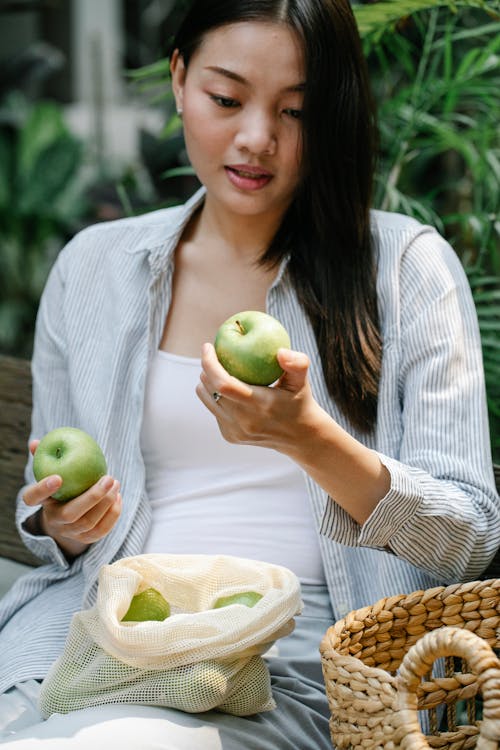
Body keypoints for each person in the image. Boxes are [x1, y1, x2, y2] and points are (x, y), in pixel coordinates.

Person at [0, 0, 498, 747]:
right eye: (226, 100)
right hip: (99, 640)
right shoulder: (93, 269)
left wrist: (309, 441)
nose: (256, 138)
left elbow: (471, 538)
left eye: (295, 112)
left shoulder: (405, 269)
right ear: (178, 79)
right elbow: (51, 516)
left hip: (294, 662)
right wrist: (63, 524)